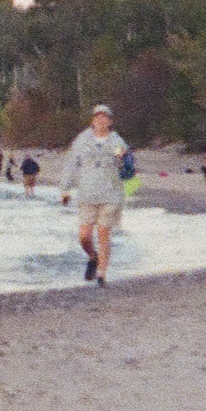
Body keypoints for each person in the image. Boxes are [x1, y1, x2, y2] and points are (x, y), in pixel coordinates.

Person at [58, 103, 131, 285]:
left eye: (104, 117)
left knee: (103, 233)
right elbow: (71, 165)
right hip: (87, 194)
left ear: (110, 121)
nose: (101, 120)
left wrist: (123, 160)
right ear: (92, 121)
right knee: (84, 236)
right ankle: (93, 256)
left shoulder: (116, 142)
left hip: (111, 194)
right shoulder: (82, 141)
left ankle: (101, 274)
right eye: (98, 117)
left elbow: (126, 167)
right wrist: (65, 189)